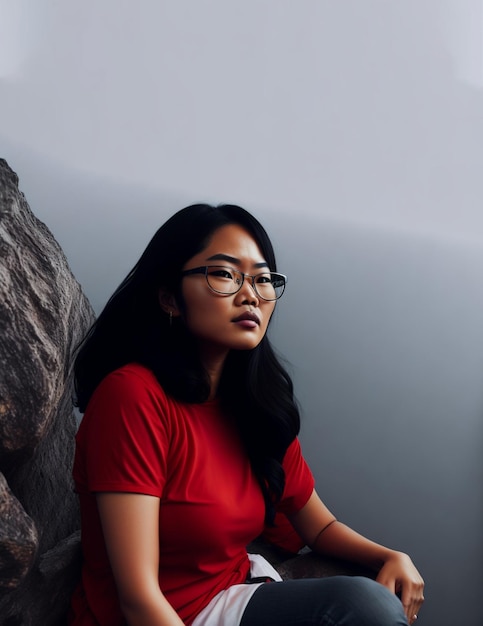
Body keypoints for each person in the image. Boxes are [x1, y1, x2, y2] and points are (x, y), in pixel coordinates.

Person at [69, 203, 424, 626]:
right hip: (156, 617)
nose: (250, 294)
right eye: (223, 274)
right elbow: (138, 598)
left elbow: (318, 527)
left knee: (369, 600)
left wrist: (390, 556)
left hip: (230, 599)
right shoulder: (133, 397)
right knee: (362, 608)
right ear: (169, 298)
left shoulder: (255, 404)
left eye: (262, 279)